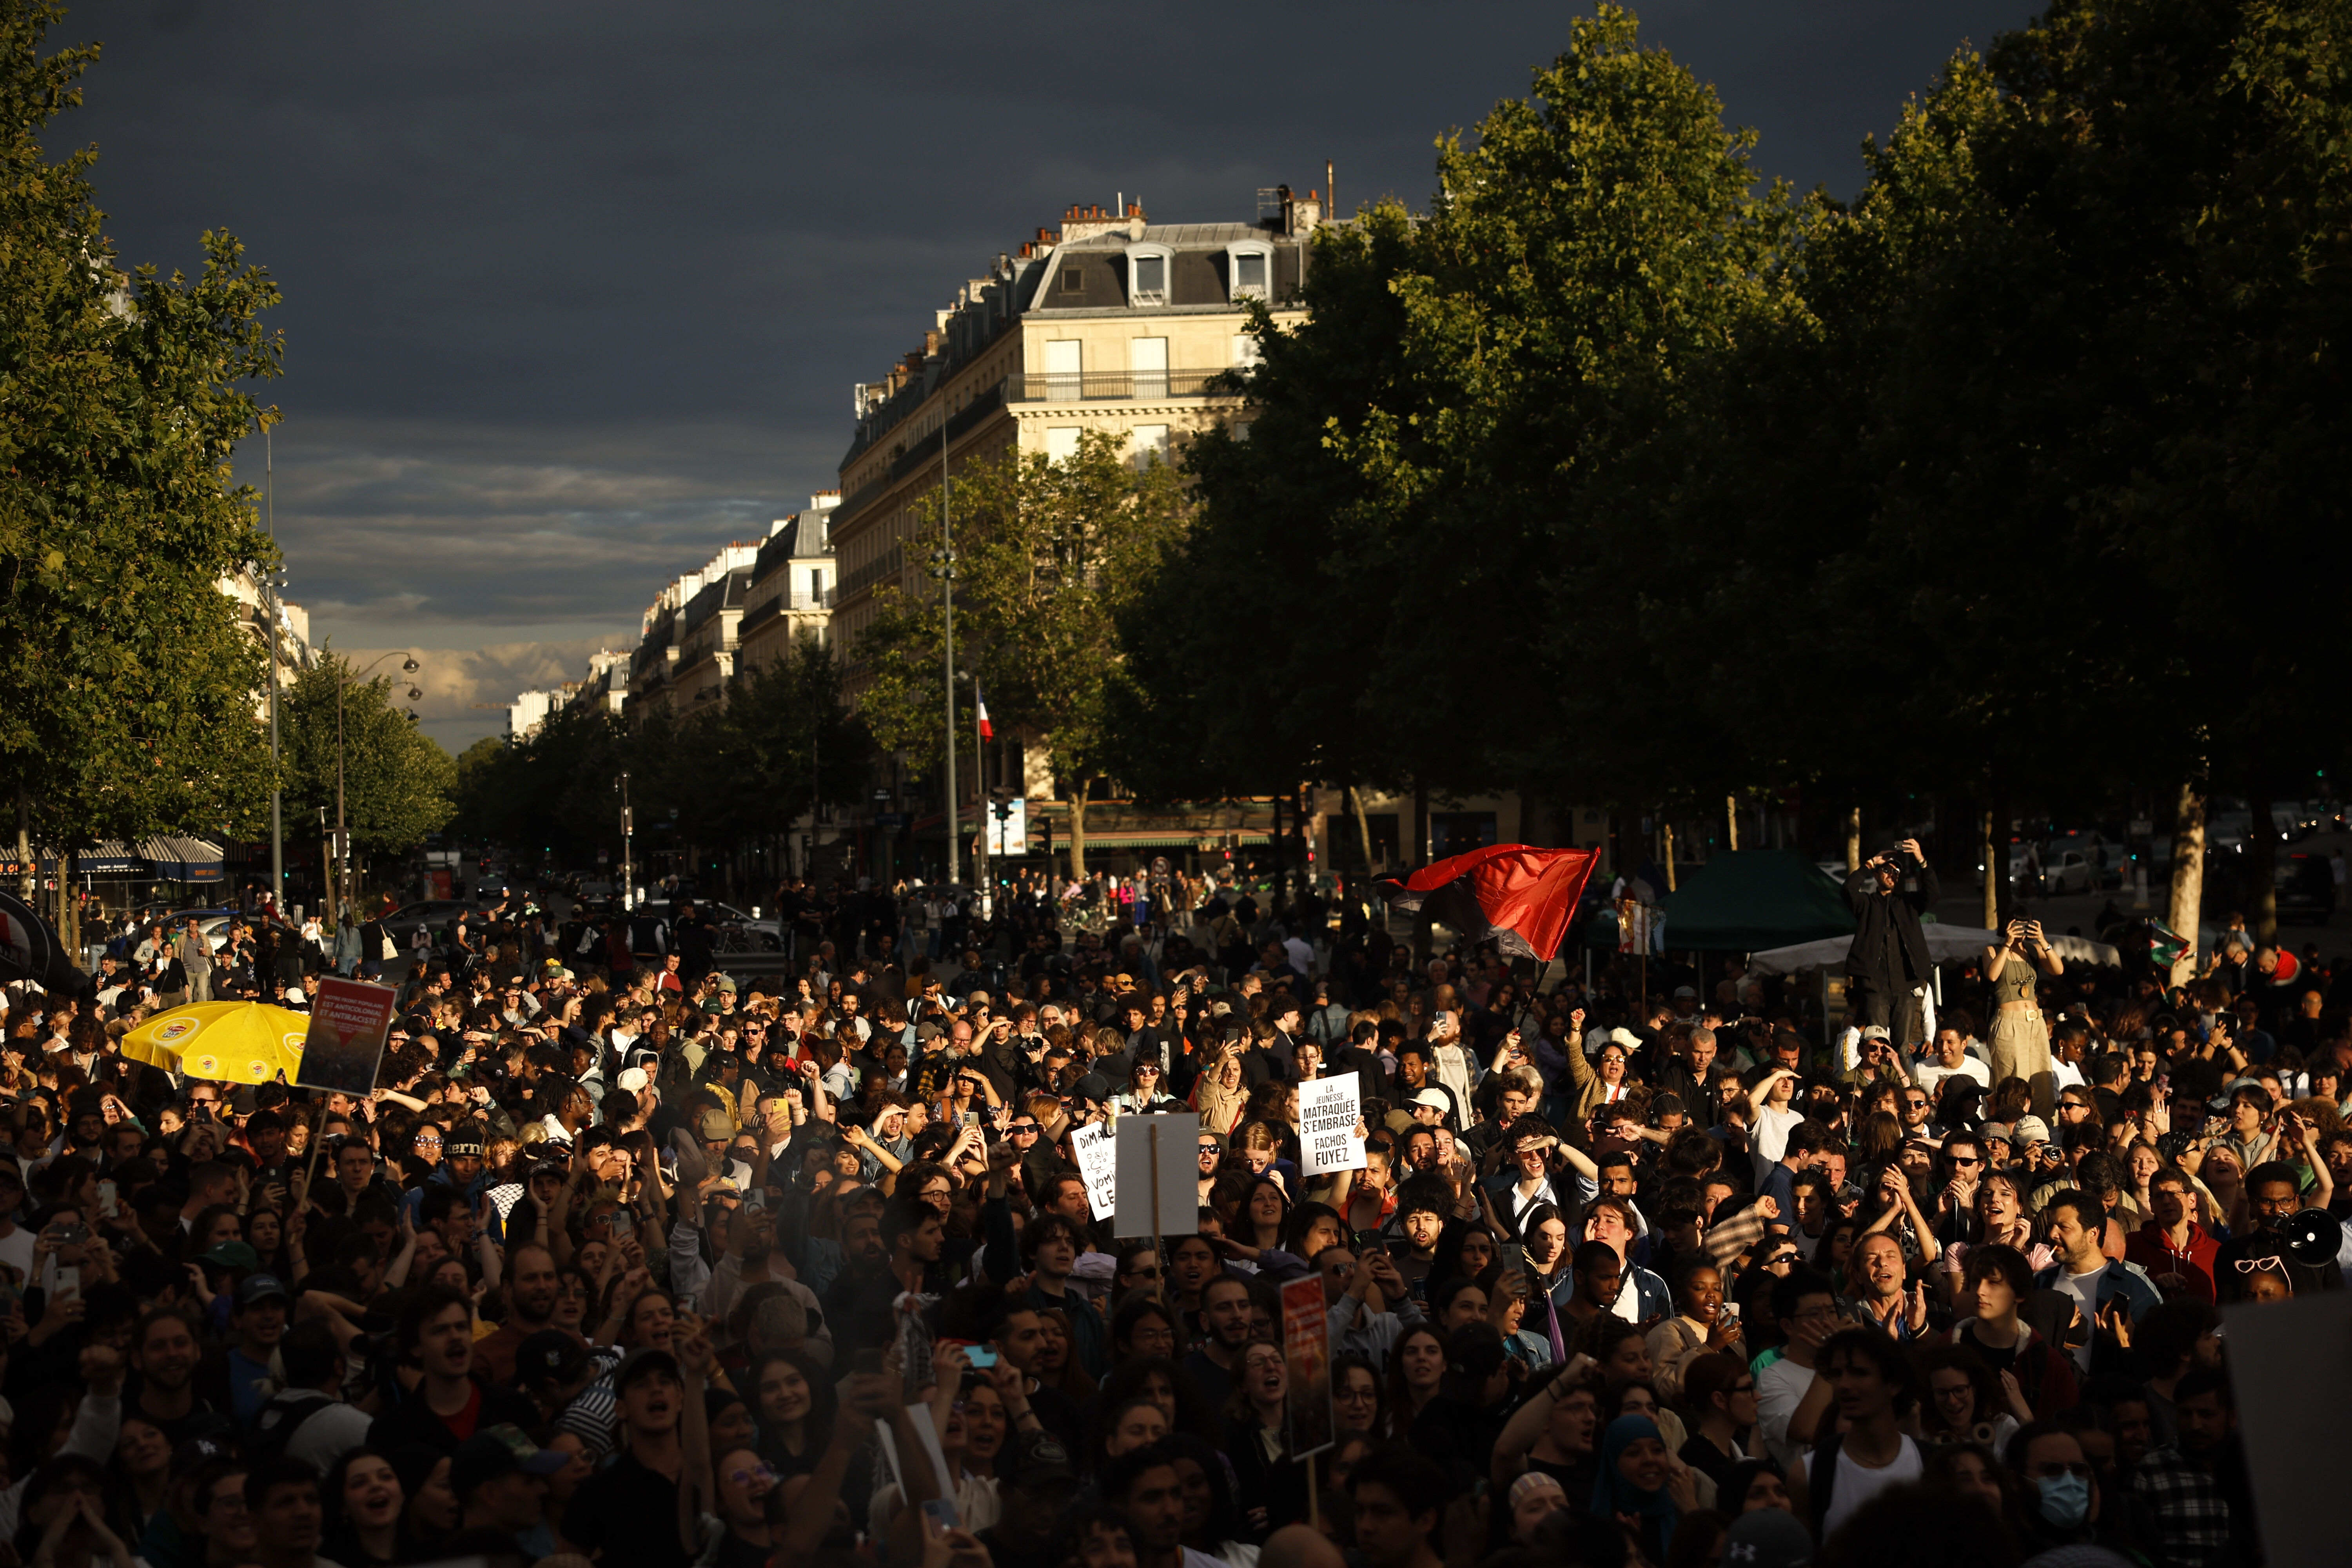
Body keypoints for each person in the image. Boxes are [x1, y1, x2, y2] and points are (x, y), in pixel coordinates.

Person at [1784, 1327, 1924, 1542]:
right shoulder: (1809, 1473)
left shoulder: (1931, 1464)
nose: (1844, 1385)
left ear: (1894, 1383)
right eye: (1837, 1374)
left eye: (1859, 1373)